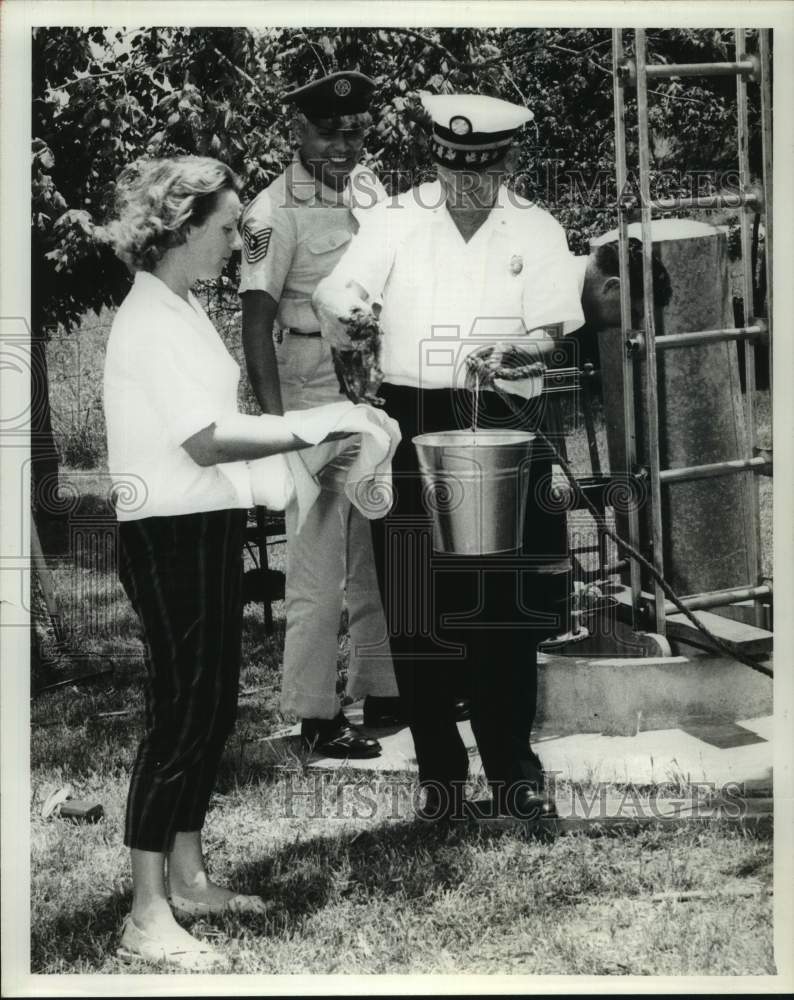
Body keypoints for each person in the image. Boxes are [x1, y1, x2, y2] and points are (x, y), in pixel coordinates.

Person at [102, 155, 380, 969]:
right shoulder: (149, 319)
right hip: (168, 536)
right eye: (226, 229)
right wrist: (310, 424)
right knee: (181, 715)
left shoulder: (178, 304)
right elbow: (206, 437)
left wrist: (301, 454)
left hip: (206, 524)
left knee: (213, 705)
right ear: (181, 228)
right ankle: (146, 912)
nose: (236, 242)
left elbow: (216, 435)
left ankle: (187, 877)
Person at [314, 93, 585, 821]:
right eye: (452, 169)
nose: (466, 185)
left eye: (482, 171)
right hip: (413, 418)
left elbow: (554, 327)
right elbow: (341, 289)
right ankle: (439, 780)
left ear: (507, 162)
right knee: (416, 603)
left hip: (504, 417)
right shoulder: (396, 219)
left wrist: (515, 346)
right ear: (436, 158)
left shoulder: (538, 226)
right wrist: (345, 312)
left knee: (505, 610)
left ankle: (514, 775)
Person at [239, 70, 400, 758]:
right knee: (315, 564)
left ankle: (384, 690)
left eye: (355, 130)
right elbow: (255, 325)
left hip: (369, 386)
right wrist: (280, 430)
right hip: (310, 394)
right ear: (298, 132)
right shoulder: (268, 214)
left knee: (375, 548)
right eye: (329, 131)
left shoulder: (369, 191)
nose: (343, 144)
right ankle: (314, 714)